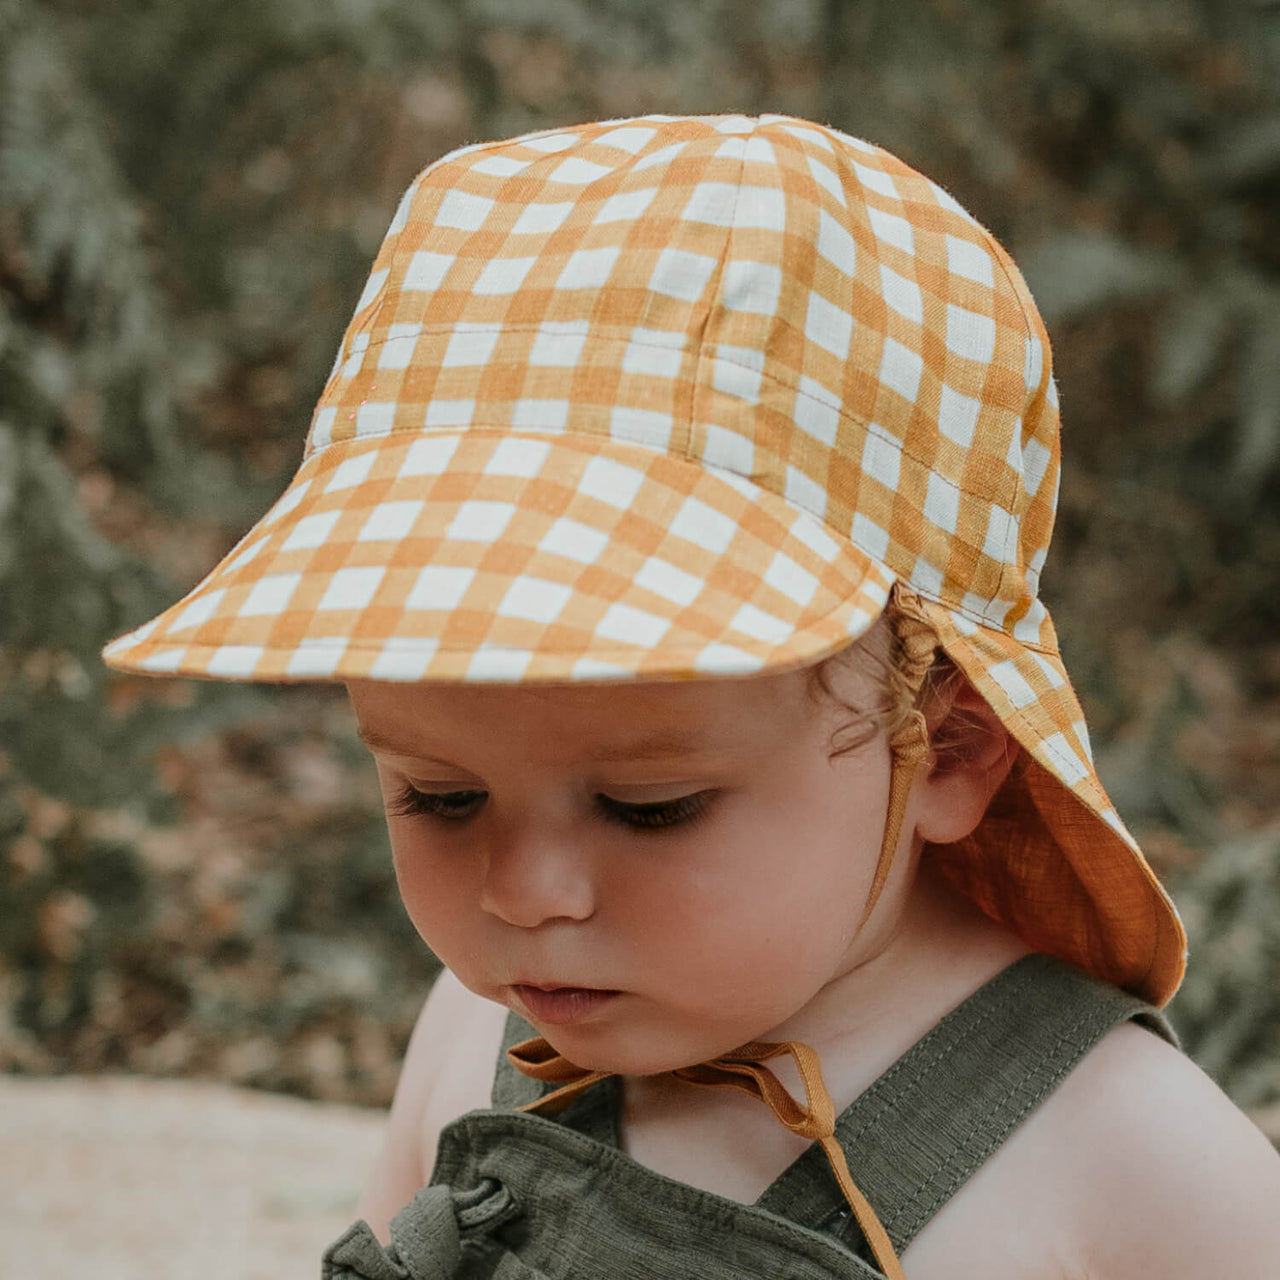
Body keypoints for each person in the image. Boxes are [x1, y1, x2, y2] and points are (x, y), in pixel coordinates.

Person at [102, 113, 1280, 1278]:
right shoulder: (476, 1042)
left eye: (648, 804)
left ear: (947, 743)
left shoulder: (1131, 1166)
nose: (524, 892)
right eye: (440, 797)